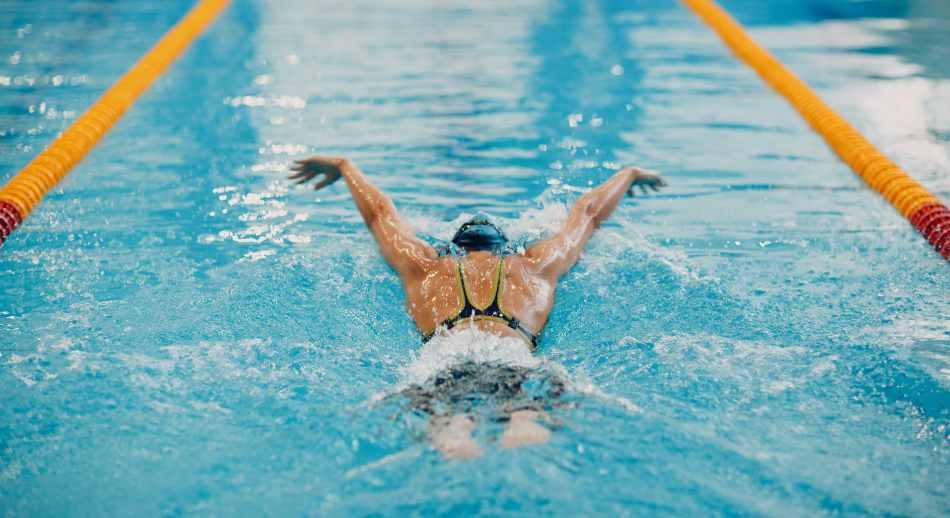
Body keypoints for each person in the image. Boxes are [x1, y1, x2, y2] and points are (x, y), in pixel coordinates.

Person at [289, 156, 666, 459]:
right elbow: (587, 213)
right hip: (511, 356)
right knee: (526, 418)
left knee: (449, 427)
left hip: (445, 358)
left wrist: (344, 167)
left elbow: (380, 216)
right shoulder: (534, 265)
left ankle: (453, 434)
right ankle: (523, 423)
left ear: (455, 248)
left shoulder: (426, 266)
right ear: (504, 247)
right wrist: (628, 174)